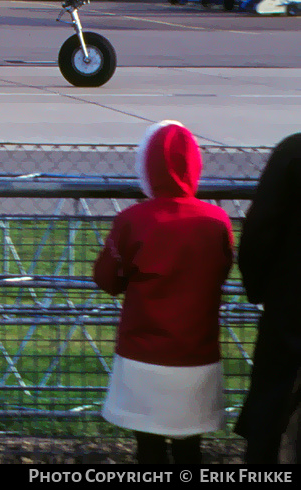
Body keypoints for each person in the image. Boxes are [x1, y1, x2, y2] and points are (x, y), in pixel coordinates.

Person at [94, 120, 234, 466]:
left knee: (149, 448)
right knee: (190, 447)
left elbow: (107, 279)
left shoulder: (132, 220)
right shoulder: (217, 221)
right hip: (197, 353)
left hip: (143, 354)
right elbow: (222, 269)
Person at [235, 133, 301, 463]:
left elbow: (260, 229)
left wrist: (258, 287)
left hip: (291, 305)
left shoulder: (293, 152)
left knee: (271, 403)